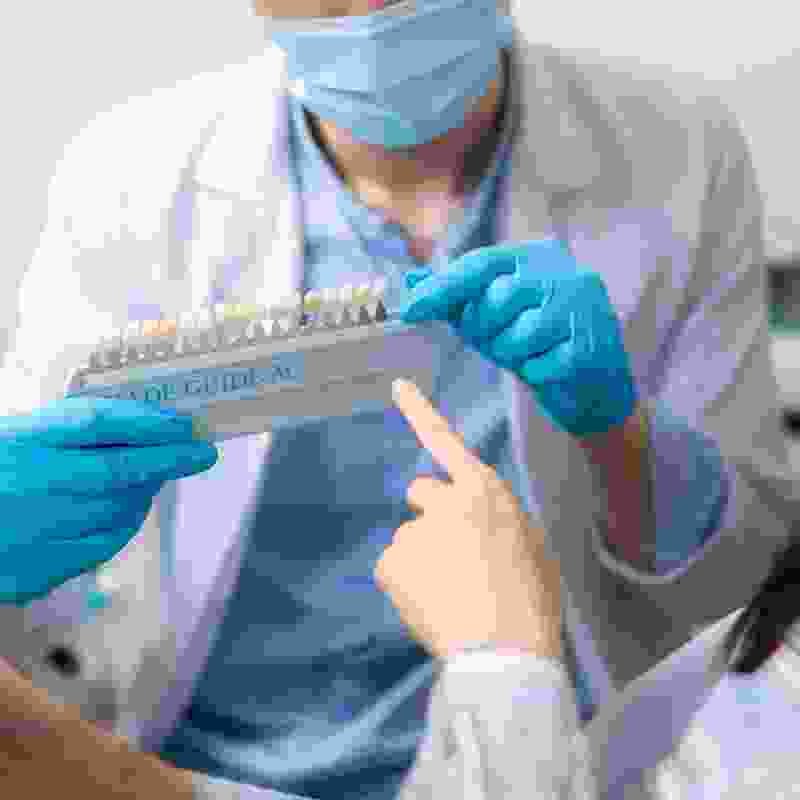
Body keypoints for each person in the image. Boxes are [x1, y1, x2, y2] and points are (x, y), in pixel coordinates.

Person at [0, 0, 795, 797]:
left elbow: (745, 595)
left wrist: (620, 434)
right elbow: (39, 591)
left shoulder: (679, 150)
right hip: (196, 760)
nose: (378, 5)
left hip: (549, 747)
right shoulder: (128, 175)